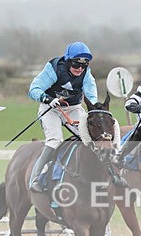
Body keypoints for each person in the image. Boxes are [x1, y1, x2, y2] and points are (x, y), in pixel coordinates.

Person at [27, 41, 98, 192]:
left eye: (84, 65)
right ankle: (36, 178)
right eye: (76, 64)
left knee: (90, 138)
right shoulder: (54, 68)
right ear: (67, 61)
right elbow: (34, 89)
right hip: (51, 108)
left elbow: (91, 95)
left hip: (73, 108)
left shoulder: (86, 73)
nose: (80, 69)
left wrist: (95, 108)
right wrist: (47, 99)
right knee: (55, 140)